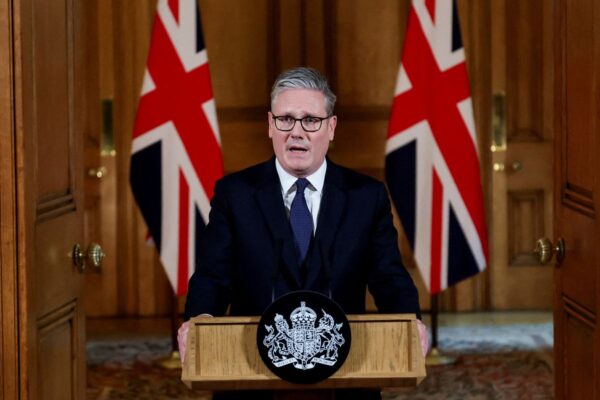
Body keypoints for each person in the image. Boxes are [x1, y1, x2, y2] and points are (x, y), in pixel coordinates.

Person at [178, 67, 428, 399]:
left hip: (346, 371)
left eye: (310, 120)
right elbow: (213, 276)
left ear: (331, 127)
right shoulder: (235, 194)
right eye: (286, 119)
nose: (297, 132)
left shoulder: (366, 197)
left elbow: (388, 277)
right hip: (249, 371)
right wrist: (199, 321)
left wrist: (410, 322)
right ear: (270, 125)